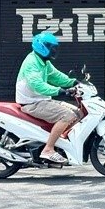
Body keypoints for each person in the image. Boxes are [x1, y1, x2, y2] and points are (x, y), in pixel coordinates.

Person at [15, 32, 79, 164]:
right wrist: (59, 91)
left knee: (78, 113)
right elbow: (37, 85)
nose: (53, 50)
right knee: (67, 116)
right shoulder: (31, 62)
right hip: (32, 103)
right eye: (51, 46)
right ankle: (48, 149)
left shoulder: (43, 61)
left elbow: (56, 76)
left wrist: (73, 82)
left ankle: (58, 144)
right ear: (41, 46)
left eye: (54, 47)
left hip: (41, 100)